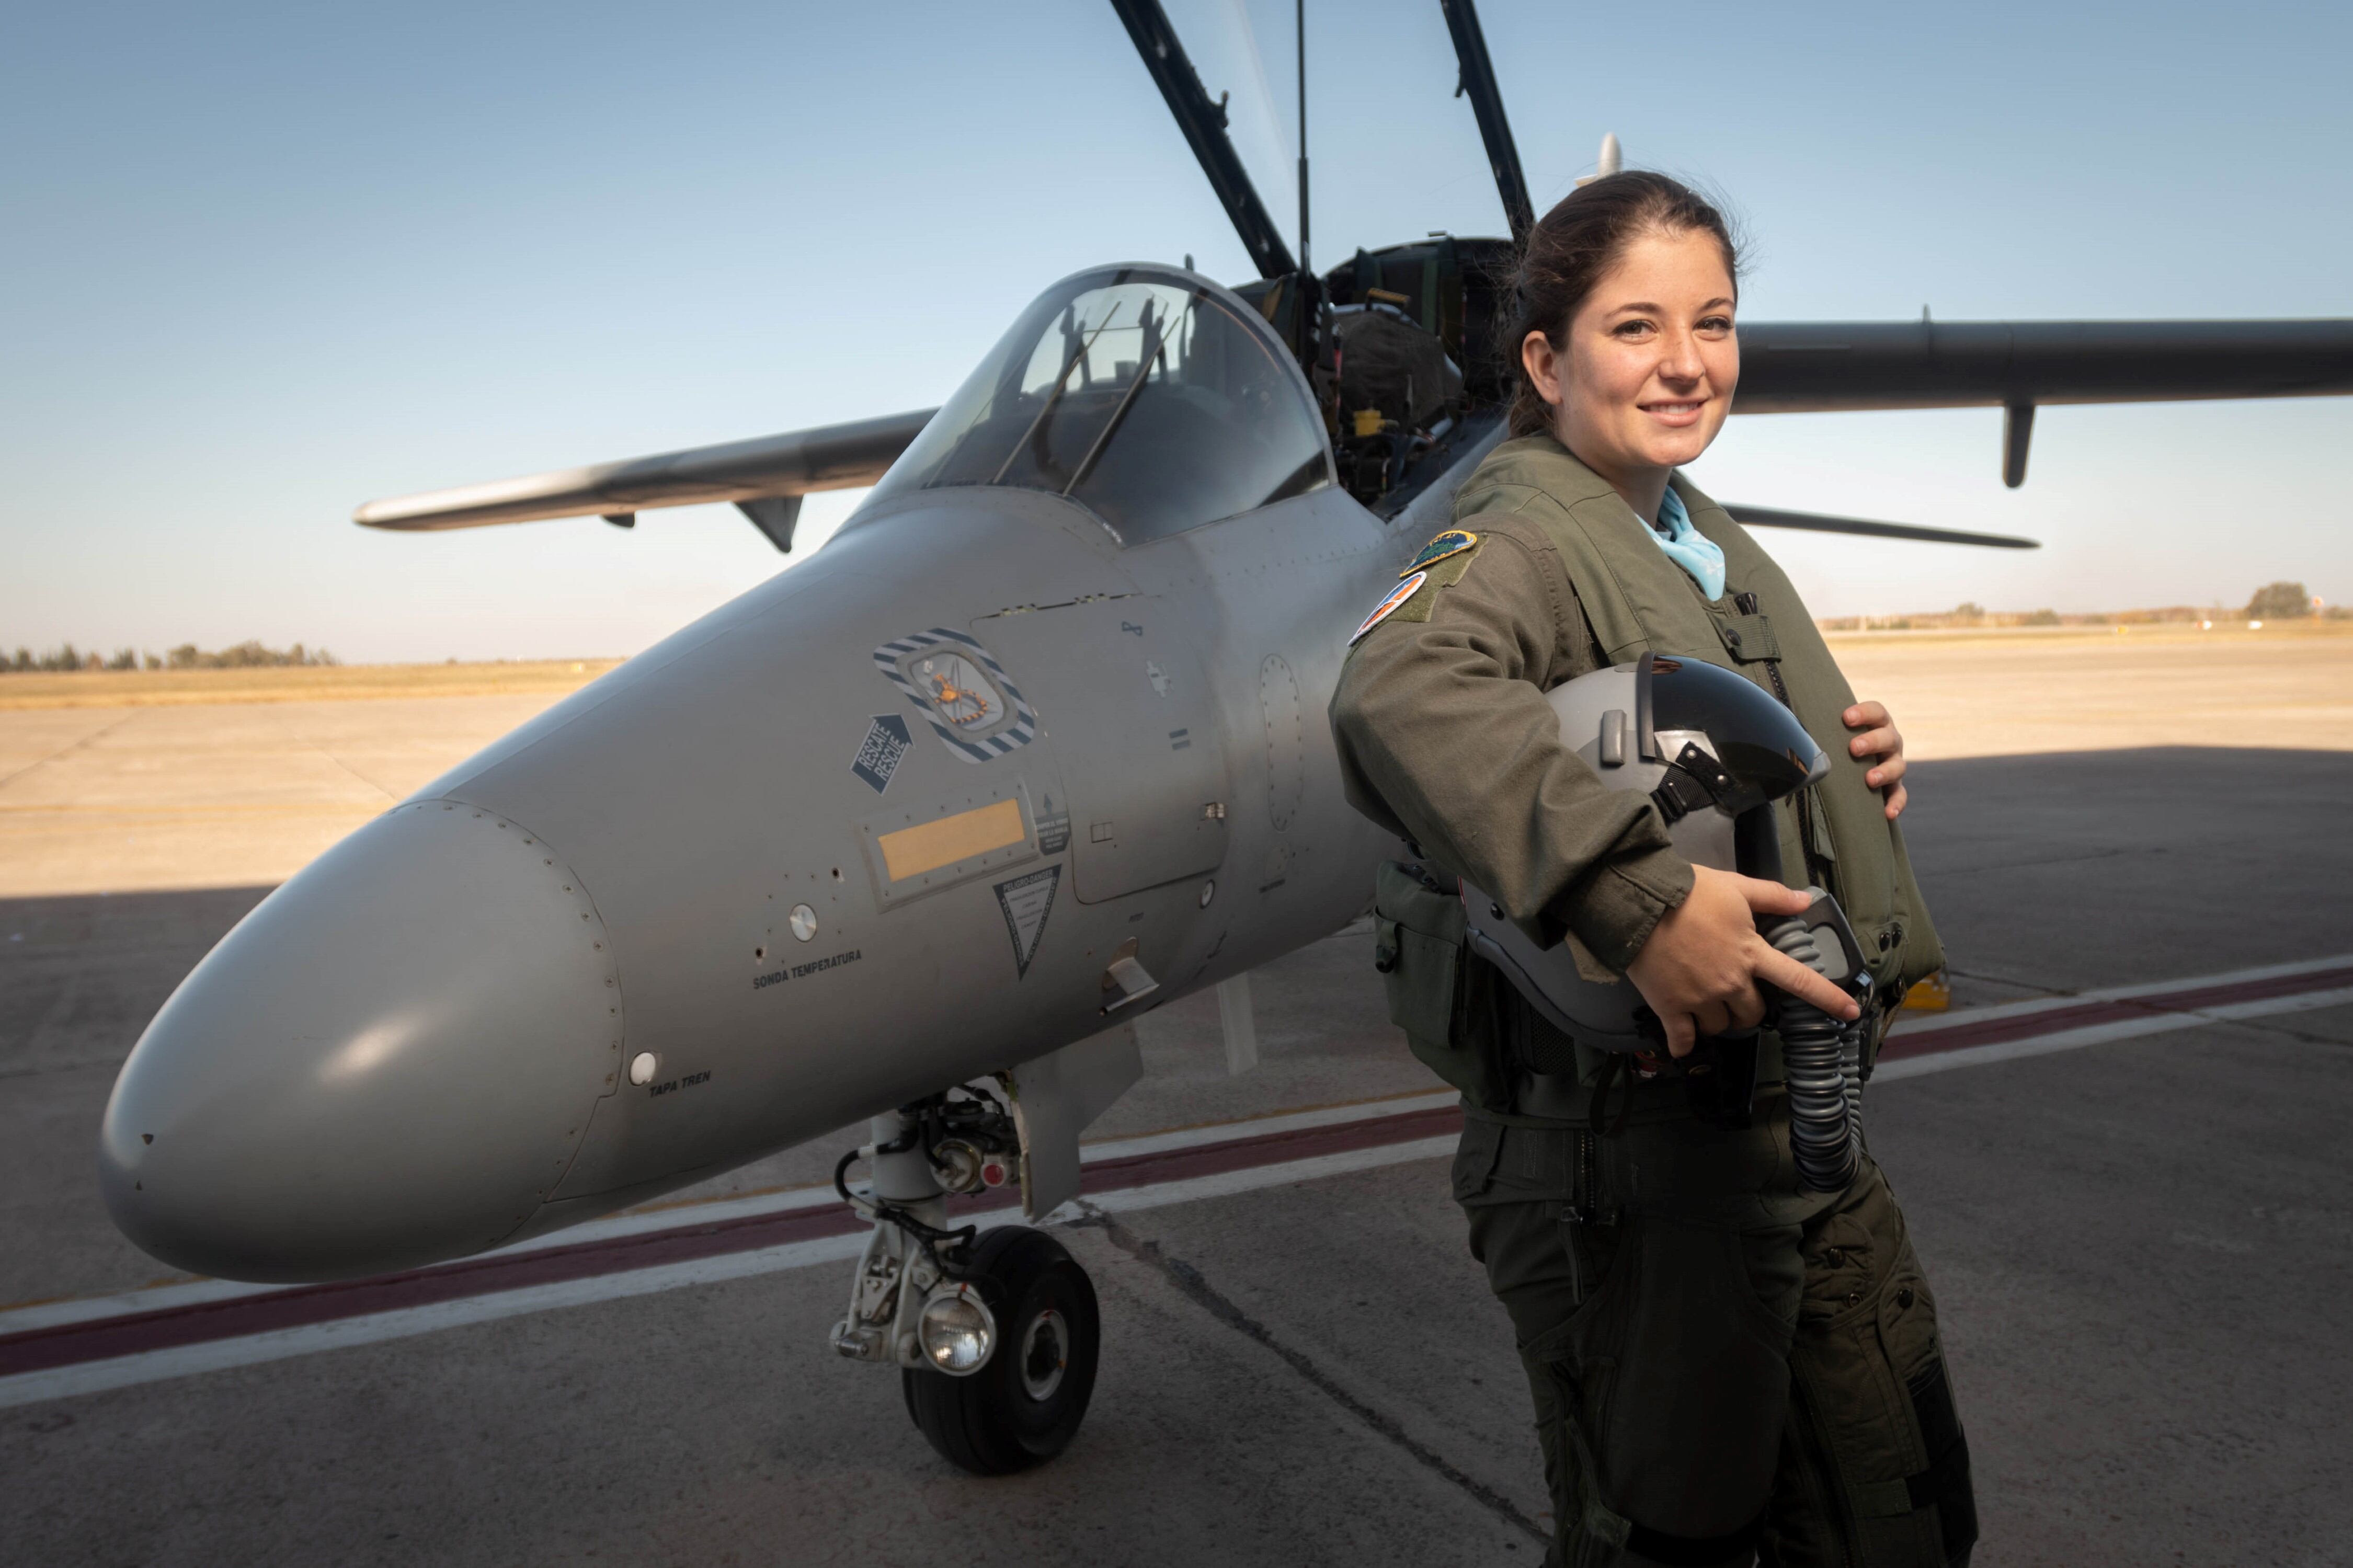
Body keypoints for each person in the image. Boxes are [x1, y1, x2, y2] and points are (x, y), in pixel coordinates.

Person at [1329, 172, 1977, 1567]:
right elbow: (1401, 689)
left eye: (1714, 322)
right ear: (1546, 361)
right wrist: (1637, 902)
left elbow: (1681, 738)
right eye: (1635, 328)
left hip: (1787, 1130)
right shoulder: (1519, 524)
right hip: (1634, 1164)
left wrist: (1845, 780)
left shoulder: (1675, 524)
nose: (1686, 362)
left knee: (1900, 1521)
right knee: (1672, 1542)